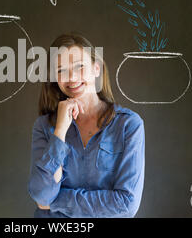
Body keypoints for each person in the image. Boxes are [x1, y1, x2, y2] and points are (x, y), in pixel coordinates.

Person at [27, 32, 145, 218]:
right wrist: (60, 131)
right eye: (61, 70)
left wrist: (55, 202)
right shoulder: (44, 126)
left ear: (96, 69)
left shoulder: (128, 125)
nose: (72, 77)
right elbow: (42, 194)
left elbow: (127, 204)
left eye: (79, 66)